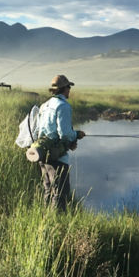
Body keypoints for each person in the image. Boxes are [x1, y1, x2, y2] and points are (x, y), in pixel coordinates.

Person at [36, 74, 85, 210]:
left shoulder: (44, 105)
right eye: (69, 87)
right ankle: (56, 224)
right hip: (57, 158)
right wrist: (77, 134)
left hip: (43, 155)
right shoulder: (63, 106)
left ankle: (45, 220)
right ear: (64, 88)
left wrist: (70, 142)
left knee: (48, 191)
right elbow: (65, 133)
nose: (70, 90)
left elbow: (41, 131)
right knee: (60, 193)